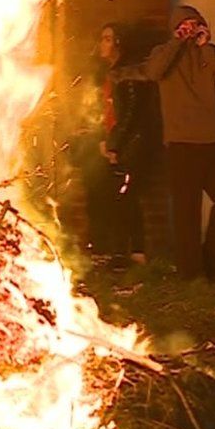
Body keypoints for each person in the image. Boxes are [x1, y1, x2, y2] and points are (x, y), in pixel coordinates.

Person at [112, 6, 215, 283]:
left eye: (194, 24)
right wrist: (177, 42)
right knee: (187, 212)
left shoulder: (209, 53)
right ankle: (190, 275)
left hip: (213, 142)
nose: (190, 29)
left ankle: (209, 258)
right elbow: (154, 72)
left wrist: (205, 46)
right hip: (182, 144)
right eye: (184, 25)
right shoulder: (164, 53)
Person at [73, 23, 161, 264]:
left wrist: (115, 144)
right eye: (102, 38)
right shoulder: (107, 74)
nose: (102, 43)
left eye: (108, 39)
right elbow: (106, 110)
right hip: (113, 143)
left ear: (119, 43)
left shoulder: (128, 75)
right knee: (105, 195)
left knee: (127, 196)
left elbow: (132, 113)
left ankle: (137, 253)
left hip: (132, 144)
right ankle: (110, 250)